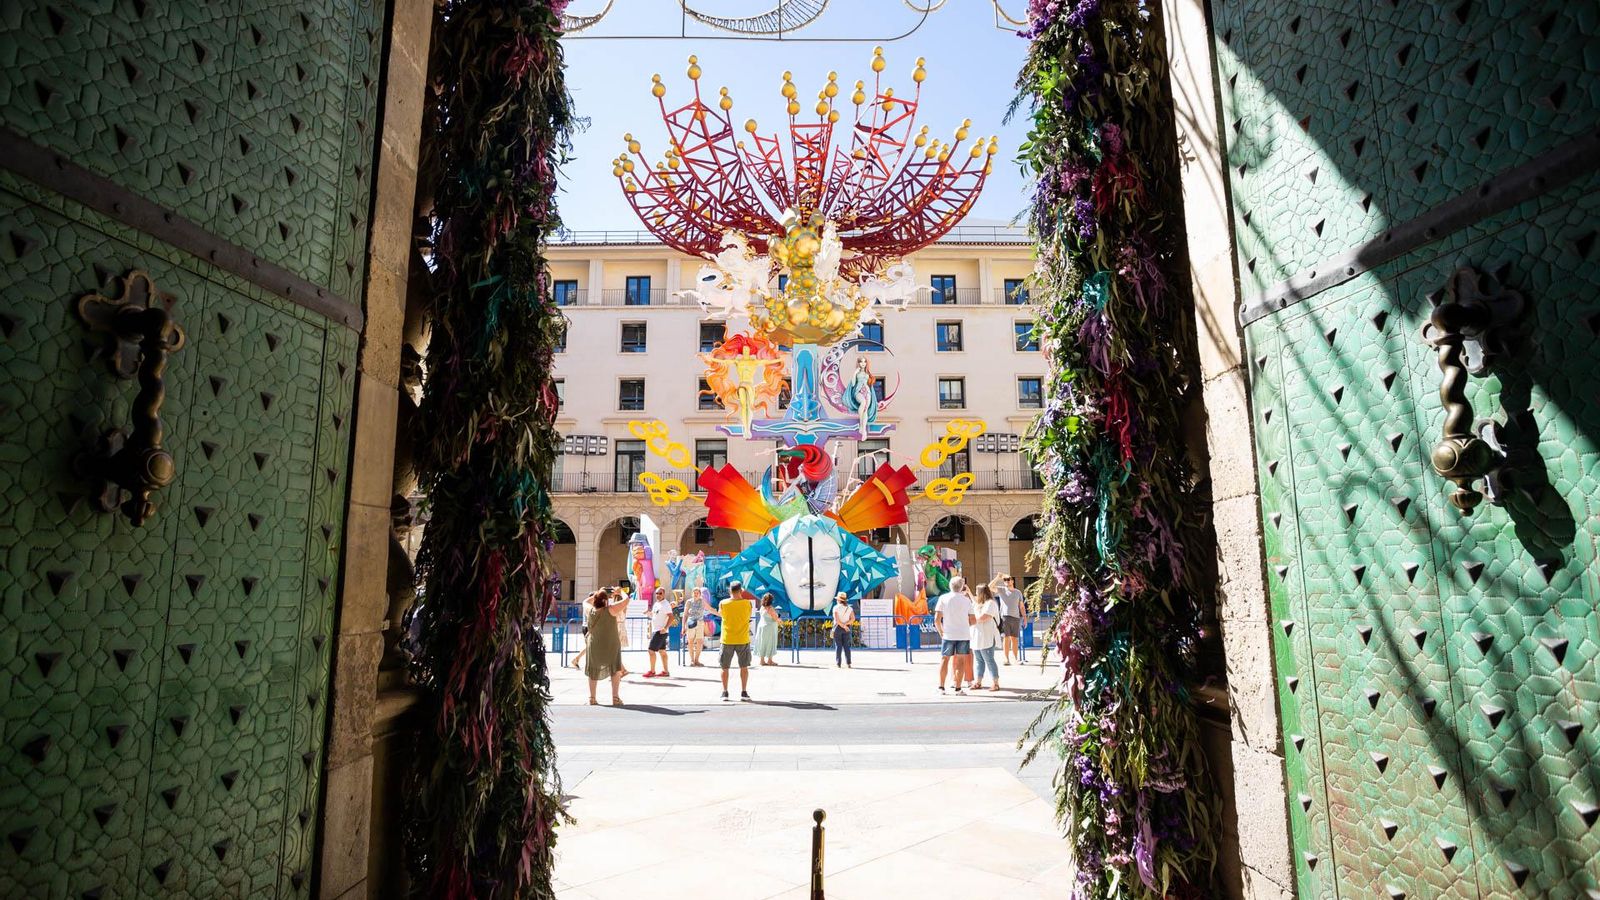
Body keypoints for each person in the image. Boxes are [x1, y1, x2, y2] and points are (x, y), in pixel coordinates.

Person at [584, 591, 627, 706]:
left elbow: (585, 601)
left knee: (593, 670)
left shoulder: (590, 610)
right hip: (611, 645)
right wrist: (621, 592)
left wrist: (595, 595)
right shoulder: (611, 610)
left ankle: (592, 698)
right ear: (605, 600)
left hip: (594, 645)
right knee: (615, 669)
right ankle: (615, 698)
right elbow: (626, 600)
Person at [934, 576, 975, 694]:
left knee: (944, 660)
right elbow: (973, 620)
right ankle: (958, 688)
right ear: (961, 587)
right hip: (963, 634)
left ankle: (941, 687)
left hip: (948, 634)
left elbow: (937, 619)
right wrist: (963, 623)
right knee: (961, 661)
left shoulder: (943, 598)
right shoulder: (966, 600)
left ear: (949, 586)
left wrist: (941, 632)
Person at [717, 582, 755, 701]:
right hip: (742, 639)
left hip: (727, 639)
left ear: (730, 591)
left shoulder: (723, 603)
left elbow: (721, 614)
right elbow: (748, 616)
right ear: (741, 590)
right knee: (744, 667)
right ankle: (743, 692)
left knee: (724, 667)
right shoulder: (747, 603)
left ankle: (725, 692)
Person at [971, 583, 1002, 691]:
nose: (975, 593)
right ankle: (978, 682)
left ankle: (995, 683)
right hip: (976, 636)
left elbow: (984, 617)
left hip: (987, 635)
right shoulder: (977, 604)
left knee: (989, 659)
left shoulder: (991, 603)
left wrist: (972, 620)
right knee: (979, 660)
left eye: (976, 591)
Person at [994, 574, 1027, 665]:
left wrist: (1024, 618)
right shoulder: (1001, 590)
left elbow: (1021, 606)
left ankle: (1015, 658)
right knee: (1006, 638)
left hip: (1016, 618)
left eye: (1009, 579)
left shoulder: (1018, 592)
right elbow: (989, 587)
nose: (1007, 581)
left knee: (1015, 639)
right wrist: (997, 577)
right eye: (1005, 580)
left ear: (1012, 581)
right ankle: (1006, 659)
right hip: (1005, 617)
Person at [645, 585, 673, 678]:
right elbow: (654, 615)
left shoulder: (666, 604)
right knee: (662, 651)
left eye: (660, 593)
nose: (658, 595)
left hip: (660, 631)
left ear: (664, 594)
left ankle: (652, 671)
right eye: (656, 593)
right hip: (656, 630)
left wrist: (665, 628)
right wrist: (648, 613)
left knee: (651, 651)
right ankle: (666, 671)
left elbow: (671, 617)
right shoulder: (657, 604)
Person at [683, 587, 713, 666]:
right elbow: (685, 614)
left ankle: (697, 660)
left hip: (700, 623)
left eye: (697, 593)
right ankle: (692, 660)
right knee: (690, 642)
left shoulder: (702, 601)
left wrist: (721, 615)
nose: (696, 594)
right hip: (691, 622)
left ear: (700, 594)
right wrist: (683, 626)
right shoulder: (689, 602)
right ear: (692, 594)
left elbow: (710, 609)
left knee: (700, 642)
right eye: (694, 593)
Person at [754, 593, 782, 665]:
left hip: (761, 627)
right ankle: (770, 660)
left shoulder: (762, 607)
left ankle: (762, 660)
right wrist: (781, 621)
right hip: (770, 627)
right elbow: (775, 618)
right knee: (770, 643)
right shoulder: (770, 608)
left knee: (762, 643)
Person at [830, 592, 854, 668]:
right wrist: (846, 625)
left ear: (839, 600)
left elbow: (837, 620)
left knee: (838, 646)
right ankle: (848, 663)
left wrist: (843, 625)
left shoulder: (835, 608)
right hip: (847, 628)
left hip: (838, 628)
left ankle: (838, 663)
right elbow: (853, 619)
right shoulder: (850, 608)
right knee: (847, 646)